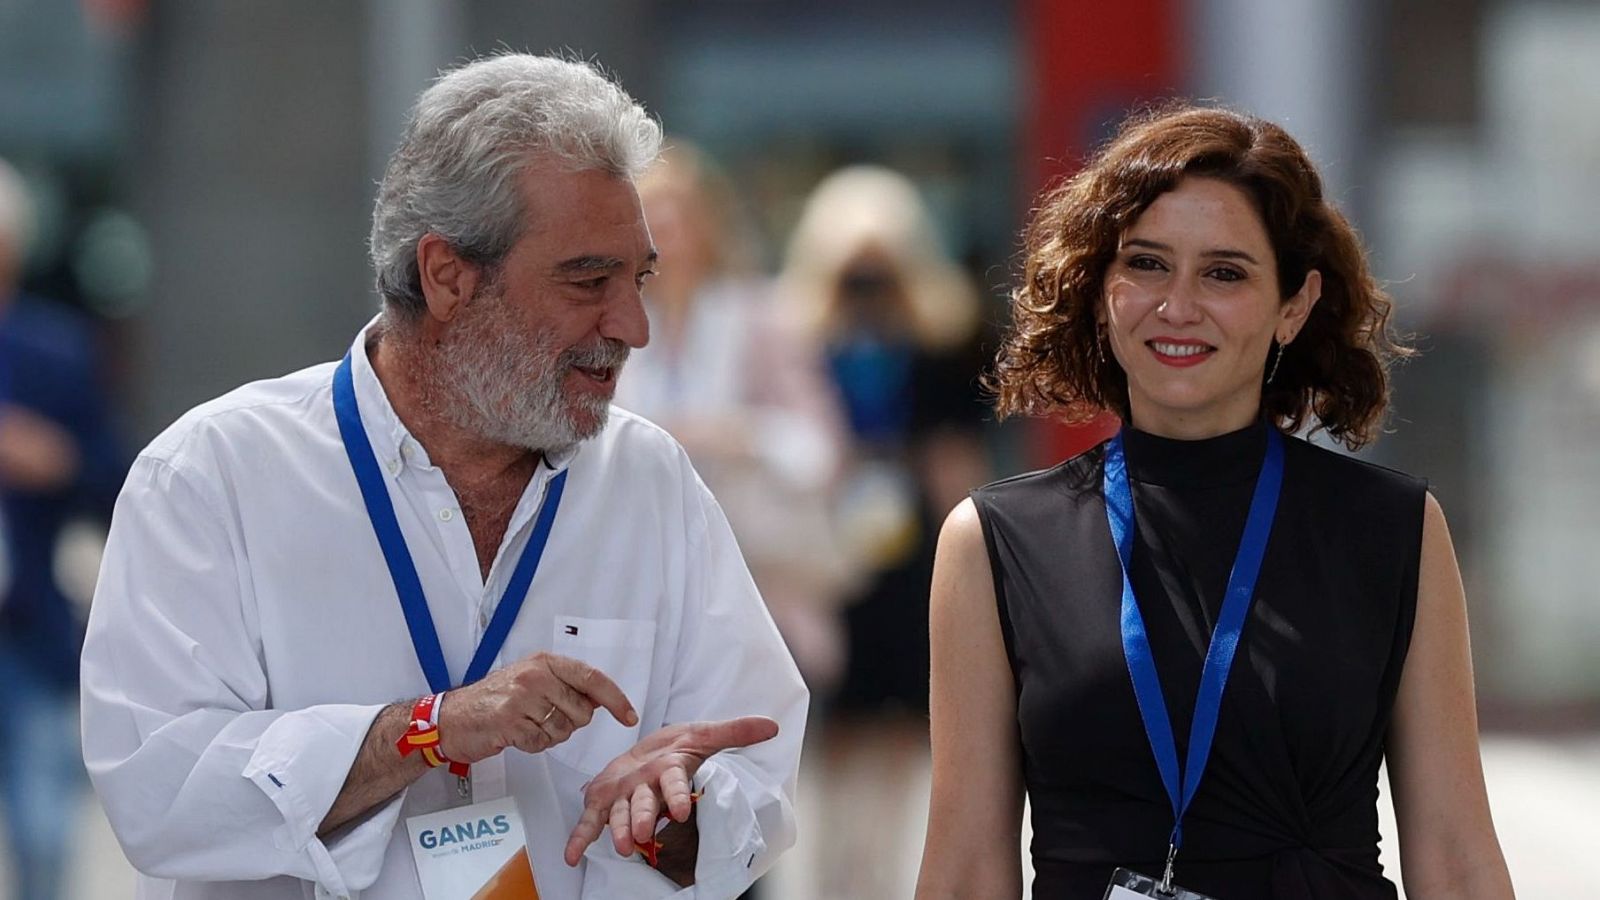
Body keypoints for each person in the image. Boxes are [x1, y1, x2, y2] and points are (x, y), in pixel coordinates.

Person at [81, 54, 807, 900]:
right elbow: (157, 792)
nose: (634, 326)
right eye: (588, 280)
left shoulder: (649, 481)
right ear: (448, 275)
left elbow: (753, 770)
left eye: (638, 277)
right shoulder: (211, 477)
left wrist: (680, 819)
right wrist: (425, 732)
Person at [915, 105, 1515, 899]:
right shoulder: (993, 541)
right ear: (1099, 292)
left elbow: (1455, 853)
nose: (1178, 306)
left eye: (1225, 273)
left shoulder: (1392, 528)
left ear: (1293, 307)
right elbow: (963, 868)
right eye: (1147, 265)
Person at [776, 166, 990, 899]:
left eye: (881, 271)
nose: (867, 288)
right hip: (829, 556)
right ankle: (836, 876)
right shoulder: (804, 351)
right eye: (853, 273)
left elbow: (954, 461)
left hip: (909, 554)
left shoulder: (937, 353)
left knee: (903, 724)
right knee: (834, 724)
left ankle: (883, 875)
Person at [617, 142, 854, 699]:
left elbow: (820, 449)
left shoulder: (760, 318)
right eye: (652, 218)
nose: (665, 233)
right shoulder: (612, 323)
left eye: (678, 216)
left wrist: (738, 434)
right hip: (644, 583)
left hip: (756, 578)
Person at [0, 158, 127, 900]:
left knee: (44, 830)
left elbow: (114, 481)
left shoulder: (55, 351)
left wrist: (53, 458)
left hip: (29, 626)